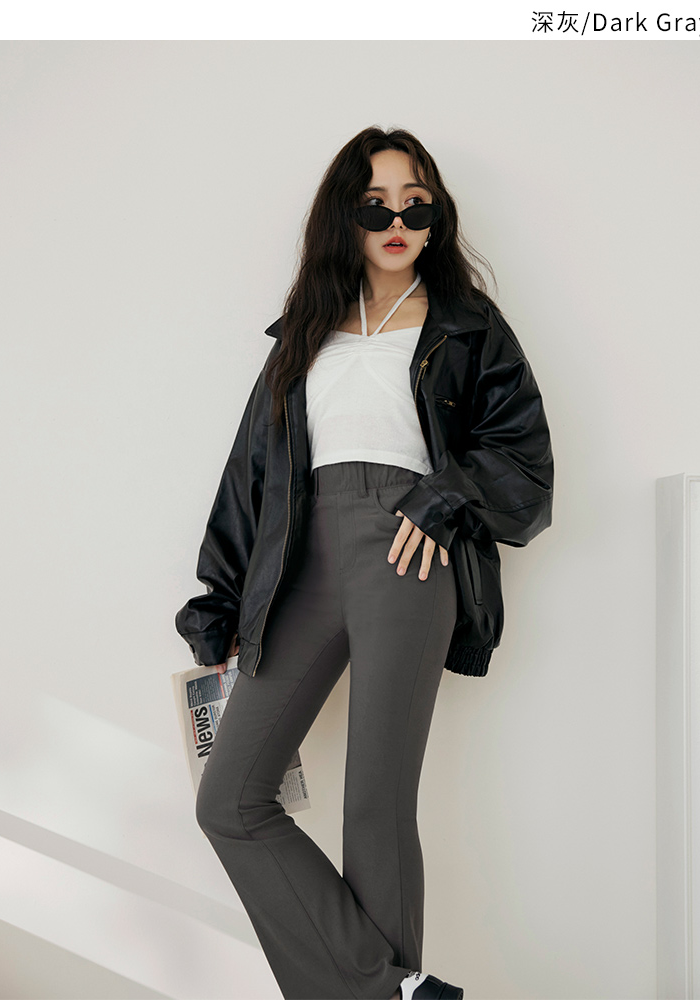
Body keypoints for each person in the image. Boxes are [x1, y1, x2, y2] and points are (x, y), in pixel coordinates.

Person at [175, 126, 554, 1000]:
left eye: (415, 205)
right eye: (375, 205)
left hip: (407, 553)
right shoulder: (305, 333)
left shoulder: (467, 325)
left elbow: (527, 464)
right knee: (229, 801)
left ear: (436, 216)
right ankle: (394, 991)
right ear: (343, 217)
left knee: (374, 807)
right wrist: (221, 600)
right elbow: (251, 478)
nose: (396, 222)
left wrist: (443, 496)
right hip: (300, 565)